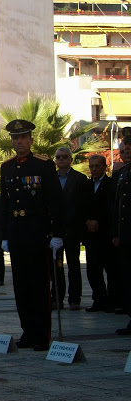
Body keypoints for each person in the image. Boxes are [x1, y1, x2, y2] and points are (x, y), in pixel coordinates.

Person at [0, 120, 63, 351]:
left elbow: (55, 202)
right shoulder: (6, 167)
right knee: (21, 286)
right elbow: (6, 205)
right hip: (17, 234)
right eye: (16, 138)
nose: (20, 142)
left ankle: (41, 335)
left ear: (31, 140)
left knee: (38, 286)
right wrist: (5, 234)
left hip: (38, 234)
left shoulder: (43, 166)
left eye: (24, 138)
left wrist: (57, 233)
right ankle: (27, 331)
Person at [51, 146, 88, 310]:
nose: (61, 160)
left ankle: (75, 298)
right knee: (56, 266)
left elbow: (83, 205)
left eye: (64, 157)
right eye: (58, 157)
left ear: (71, 160)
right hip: (55, 230)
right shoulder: (50, 178)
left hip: (73, 228)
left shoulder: (80, 179)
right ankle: (57, 298)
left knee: (73, 265)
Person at [83, 154, 119, 313]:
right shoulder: (85, 186)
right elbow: (80, 206)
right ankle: (99, 299)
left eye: (97, 166)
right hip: (91, 235)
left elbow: (112, 209)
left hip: (106, 234)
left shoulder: (111, 184)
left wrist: (99, 222)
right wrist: (87, 221)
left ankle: (112, 301)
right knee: (92, 270)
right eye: (91, 166)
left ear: (104, 167)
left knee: (111, 269)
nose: (94, 169)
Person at [112, 136, 131, 335]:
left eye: (129, 149)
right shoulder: (123, 173)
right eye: (124, 150)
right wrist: (115, 233)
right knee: (126, 277)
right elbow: (118, 206)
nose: (126, 152)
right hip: (125, 235)